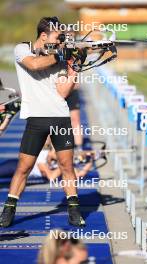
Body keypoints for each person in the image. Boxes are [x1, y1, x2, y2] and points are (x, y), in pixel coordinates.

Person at [0, 16, 85, 228]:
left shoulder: (61, 55)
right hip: (36, 118)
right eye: (58, 37)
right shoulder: (23, 49)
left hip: (60, 117)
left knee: (66, 165)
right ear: (44, 35)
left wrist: (76, 66)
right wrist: (61, 54)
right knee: (24, 167)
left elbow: (62, 92)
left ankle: (74, 209)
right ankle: (9, 209)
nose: (61, 40)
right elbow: (35, 65)